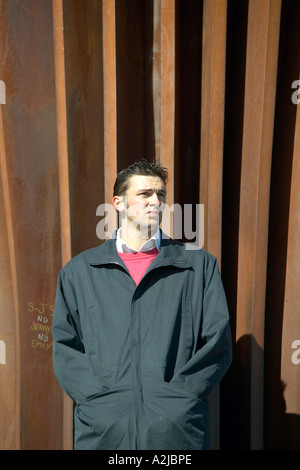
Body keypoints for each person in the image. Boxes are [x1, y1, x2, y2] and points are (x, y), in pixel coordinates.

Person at [52, 159, 232, 450]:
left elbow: (217, 342)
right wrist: (98, 402)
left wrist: (181, 401)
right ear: (119, 203)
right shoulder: (80, 271)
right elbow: (66, 346)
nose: (156, 202)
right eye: (145, 194)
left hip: (175, 434)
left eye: (161, 195)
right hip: (105, 432)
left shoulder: (197, 266)